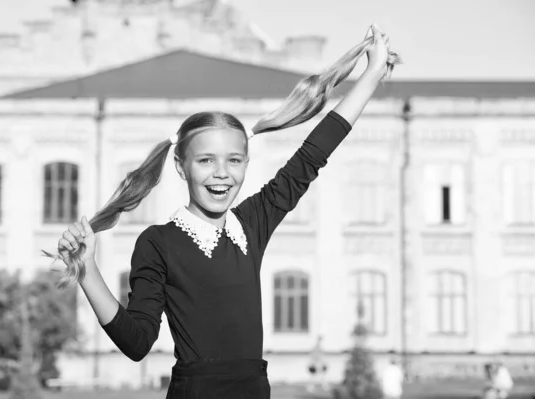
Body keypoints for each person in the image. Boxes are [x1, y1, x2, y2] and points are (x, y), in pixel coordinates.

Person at [45, 23, 400, 398]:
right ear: (182, 167)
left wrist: (372, 74)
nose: (221, 174)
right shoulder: (157, 243)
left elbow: (315, 152)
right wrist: (87, 272)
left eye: (234, 160)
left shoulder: (252, 223)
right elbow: (136, 344)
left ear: (247, 163)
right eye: (206, 161)